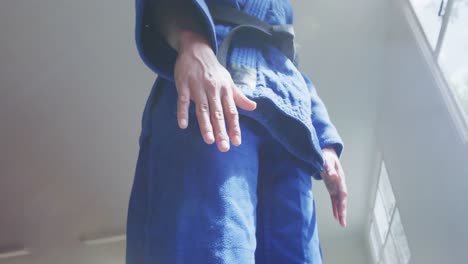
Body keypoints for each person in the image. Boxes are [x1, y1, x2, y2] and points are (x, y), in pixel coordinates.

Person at [126, 0, 348, 263]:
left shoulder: (282, 8)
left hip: (290, 128)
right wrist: (192, 40)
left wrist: (325, 142)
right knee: (214, 247)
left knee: (299, 255)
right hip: (213, 89)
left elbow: (294, 71)